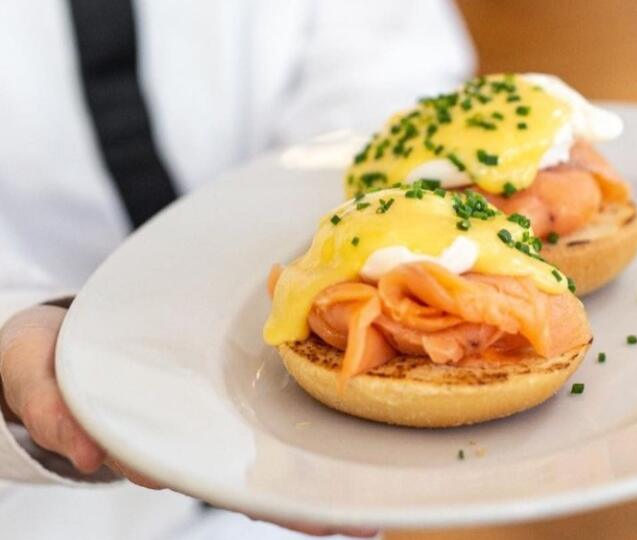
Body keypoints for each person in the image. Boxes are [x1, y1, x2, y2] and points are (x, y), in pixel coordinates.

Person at [0, 1, 473, 538]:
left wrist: (378, 238)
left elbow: (387, 68)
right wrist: (12, 321)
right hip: (40, 505)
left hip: (312, 451)